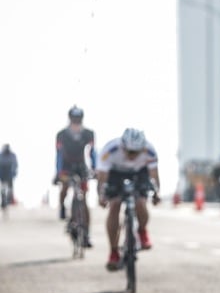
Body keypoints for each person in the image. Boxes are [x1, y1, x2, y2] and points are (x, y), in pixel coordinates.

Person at [96, 128, 160, 271]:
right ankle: (113, 252)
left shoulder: (149, 150)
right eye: (129, 151)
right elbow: (102, 176)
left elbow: (154, 174)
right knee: (114, 205)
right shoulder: (110, 150)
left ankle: (142, 231)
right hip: (115, 174)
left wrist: (157, 193)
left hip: (139, 173)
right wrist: (101, 195)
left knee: (140, 202)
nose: (132, 155)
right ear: (122, 146)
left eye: (136, 152)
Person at [54, 106, 96, 246]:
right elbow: (59, 154)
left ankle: (87, 234)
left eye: (78, 120)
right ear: (70, 119)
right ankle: (62, 207)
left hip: (81, 166)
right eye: (74, 119)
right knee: (65, 187)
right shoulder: (61, 134)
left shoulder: (88, 133)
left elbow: (92, 152)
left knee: (84, 199)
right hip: (66, 166)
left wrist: (94, 168)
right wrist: (59, 172)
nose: (76, 122)